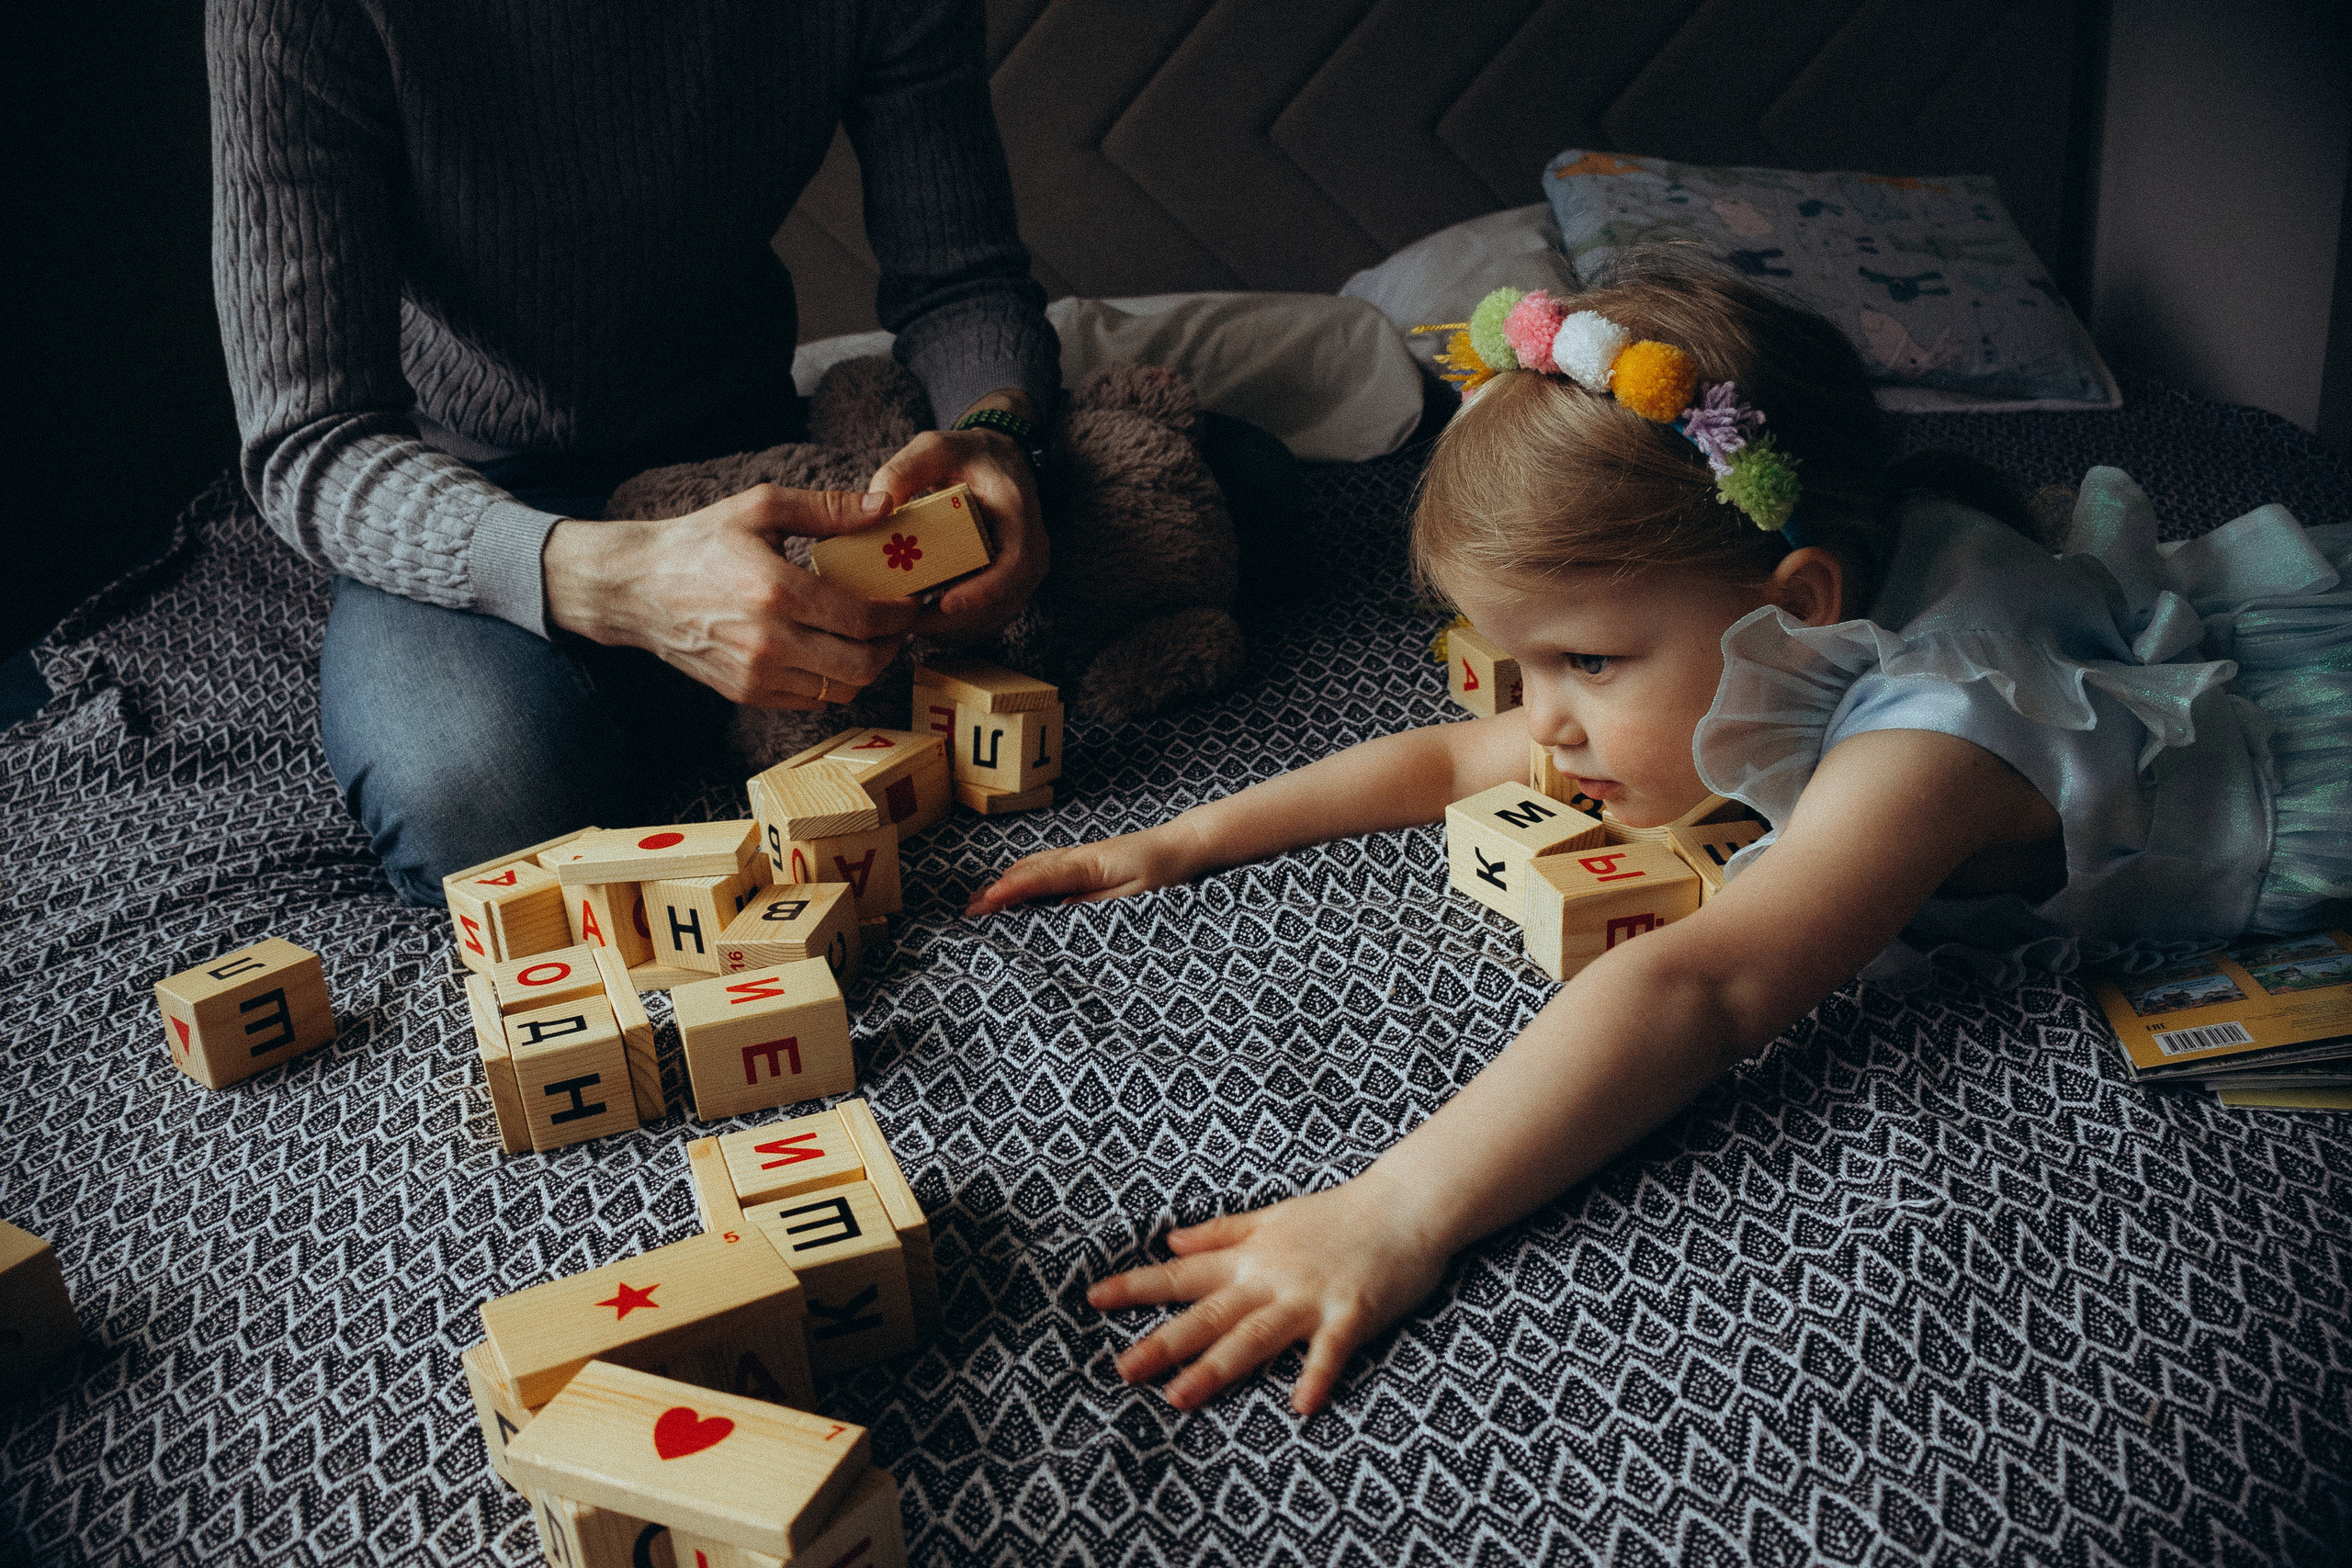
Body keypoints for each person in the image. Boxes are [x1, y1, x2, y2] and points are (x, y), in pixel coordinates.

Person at [966, 267, 2352, 1414]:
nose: (1544, 725)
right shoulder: (1784, 586)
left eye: (1585, 663)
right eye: (1528, 664)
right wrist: (1182, 836)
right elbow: (1461, 751)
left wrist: (1394, 1210)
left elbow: (1704, 983)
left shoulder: (1934, 744)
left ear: (1800, 603)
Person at [208, 0, 1060, 904]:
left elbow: (964, 279)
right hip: (471, 490)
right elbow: (308, 438)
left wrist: (999, 434)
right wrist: (627, 588)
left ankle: (664, 694)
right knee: (480, 806)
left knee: (1169, 513)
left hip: (755, 453)